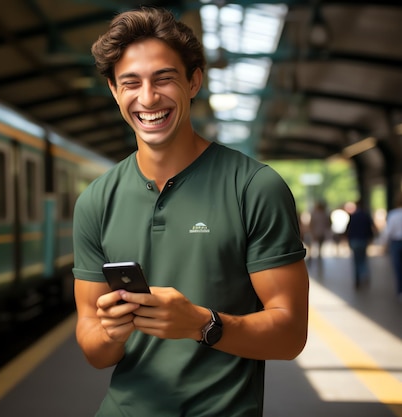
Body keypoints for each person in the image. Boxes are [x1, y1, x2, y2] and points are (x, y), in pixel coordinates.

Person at [72, 7, 309, 417]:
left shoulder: (253, 187)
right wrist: (112, 332)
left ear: (194, 81)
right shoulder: (95, 201)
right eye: (131, 83)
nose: (147, 99)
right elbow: (94, 350)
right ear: (114, 91)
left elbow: (290, 336)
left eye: (163, 78)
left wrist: (201, 323)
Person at [345, 199, 376, 288]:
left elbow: (348, 229)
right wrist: (370, 237)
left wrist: (349, 240)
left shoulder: (353, 216)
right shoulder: (366, 216)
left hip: (354, 240)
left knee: (356, 260)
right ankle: (364, 275)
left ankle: (357, 279)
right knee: (363, 259)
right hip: (363, 240)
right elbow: (370, 228)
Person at [383, 192, 402, 300]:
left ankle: (400, 291)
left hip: (396, 243)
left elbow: (388, 231)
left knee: (398, 268)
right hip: (395, 242)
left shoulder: (393, 214)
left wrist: (384, 244)